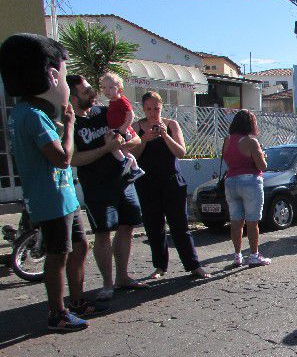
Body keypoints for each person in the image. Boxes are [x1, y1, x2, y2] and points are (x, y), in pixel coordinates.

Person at [0, 34, 107, 330]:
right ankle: (57, 313)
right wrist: (71, 126)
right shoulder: (32, 114)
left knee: (79, 246)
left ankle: (77, 301)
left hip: (63, 195)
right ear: (50, 75)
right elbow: (62, 158)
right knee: (58, 256)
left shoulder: (36, 113)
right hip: (50, 198)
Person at [68, 74, 147, 300]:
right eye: (85, 91)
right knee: (102, 234)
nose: (93, 93)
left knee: (127, 228)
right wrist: (105, 149)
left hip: (123, 182)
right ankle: (107, 284)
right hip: (97, 187)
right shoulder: (72, 123)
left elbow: (136, 140)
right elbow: (74, 158)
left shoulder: (107, 112)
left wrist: (120, 142)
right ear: (73, 98)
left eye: (91, 89)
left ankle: (123, 276)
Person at [131, 92, 209, 278]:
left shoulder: (172, 124)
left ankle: (193, 265)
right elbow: (133, 156)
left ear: (161, 107)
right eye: (148, 109)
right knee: (154, 226)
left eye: (156, 108)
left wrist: (165, 136)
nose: (152, 113)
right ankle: (160, 266)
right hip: (147, 183)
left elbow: (181, 152)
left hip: (172, 181)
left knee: (179, 225)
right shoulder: (136, 126)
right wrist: (144, 139)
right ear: (143, 109)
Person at [221, 109, 272, 267]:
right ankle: (254, 255)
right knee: (252, 221)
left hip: (231, 181)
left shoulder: (227, 140)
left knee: (236, 221)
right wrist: (263, 156)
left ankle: (237, 256)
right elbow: (262, 165)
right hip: (250, 181)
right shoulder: (251, 142)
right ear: (250, 124)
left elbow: (227, 160)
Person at [99, 72, 144, 182]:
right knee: (124, 151)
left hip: (122, 130)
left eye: (111, 87)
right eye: (104, 87)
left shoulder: (121, 100)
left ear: (119, 88)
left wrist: (124, 127)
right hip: (117, 129)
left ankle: (125, 162)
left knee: (115, 148)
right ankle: (135, 168)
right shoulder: (113, 102)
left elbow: (130, 114)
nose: (106, 90)